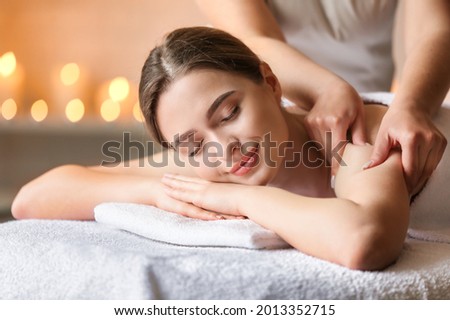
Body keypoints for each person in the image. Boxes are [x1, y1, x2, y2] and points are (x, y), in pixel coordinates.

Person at [11, 27, 448, 271]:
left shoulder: (351, 137)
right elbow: (32, 199)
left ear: (272, 85)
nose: (224, 149)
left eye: (229, 113)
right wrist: (157, 192)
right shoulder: (207, 166)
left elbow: (364, 240)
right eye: (193, 145)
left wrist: (239, 197)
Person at [196, 0, 450, 196]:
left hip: (377, 116)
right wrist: (326, 90)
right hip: (280, 111)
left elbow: (433, 27)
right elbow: (253, 39)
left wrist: (412, 106)